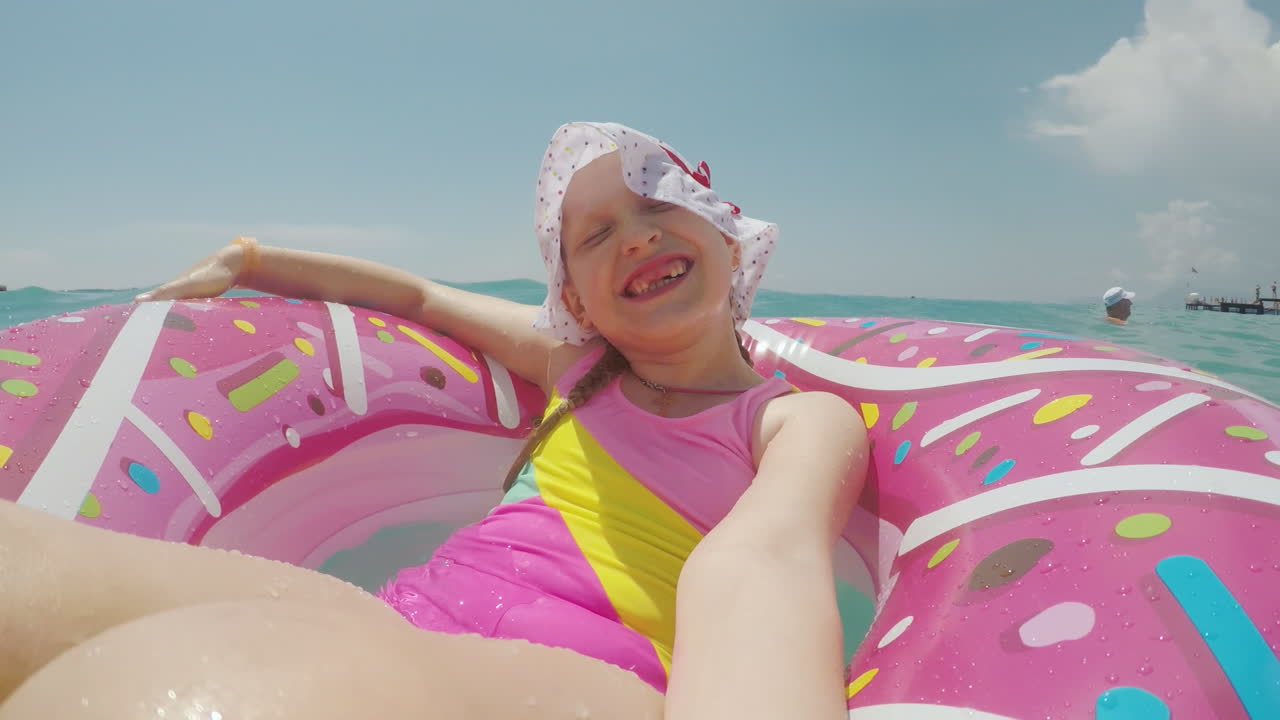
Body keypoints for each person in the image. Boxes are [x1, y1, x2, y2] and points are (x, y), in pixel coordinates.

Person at [0, 122, 869, 720]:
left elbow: (763, 563)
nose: (635, 238)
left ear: (727, 236)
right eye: (596, 235)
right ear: (576, 301)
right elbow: (417, 295)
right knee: (21, 569)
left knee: (227, 684)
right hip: (401, 615)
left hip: (596, 679)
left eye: (657, 207)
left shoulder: (791, 423)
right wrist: (253, 261)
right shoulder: (579, 371)